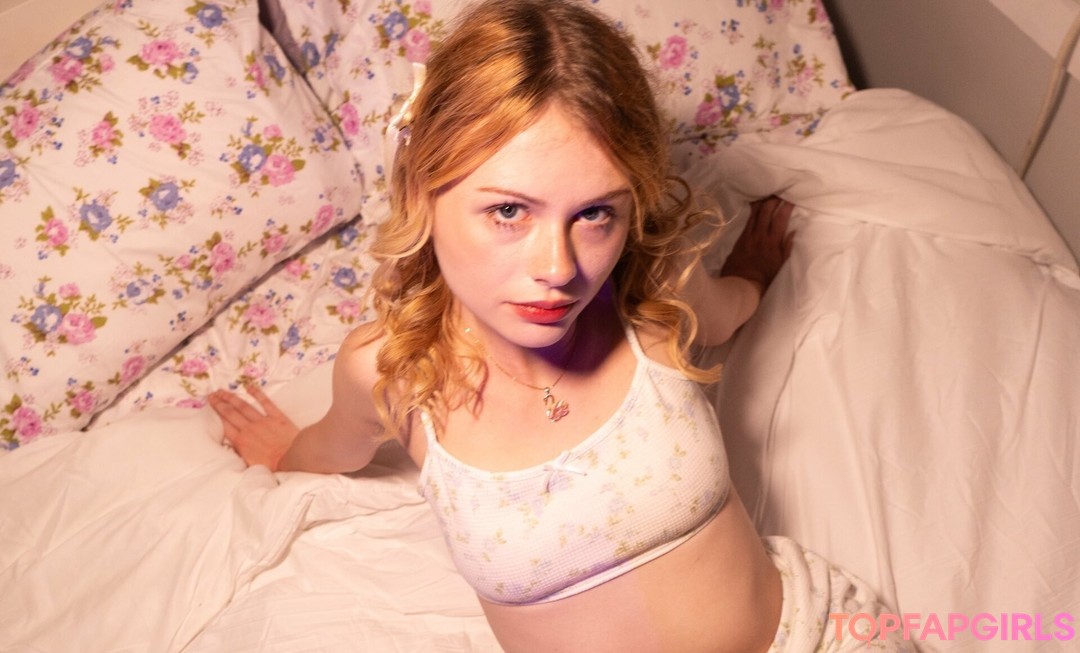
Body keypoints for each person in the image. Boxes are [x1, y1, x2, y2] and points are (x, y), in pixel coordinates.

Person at [209, 1, 909, 651]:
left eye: (595, 213)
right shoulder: (391, 371)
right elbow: (336, 445)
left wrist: (752, 273)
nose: (559, 268)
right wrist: (284, 452)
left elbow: (725, 312)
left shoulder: (653, 293)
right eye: (509, 211)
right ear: (423, 191)